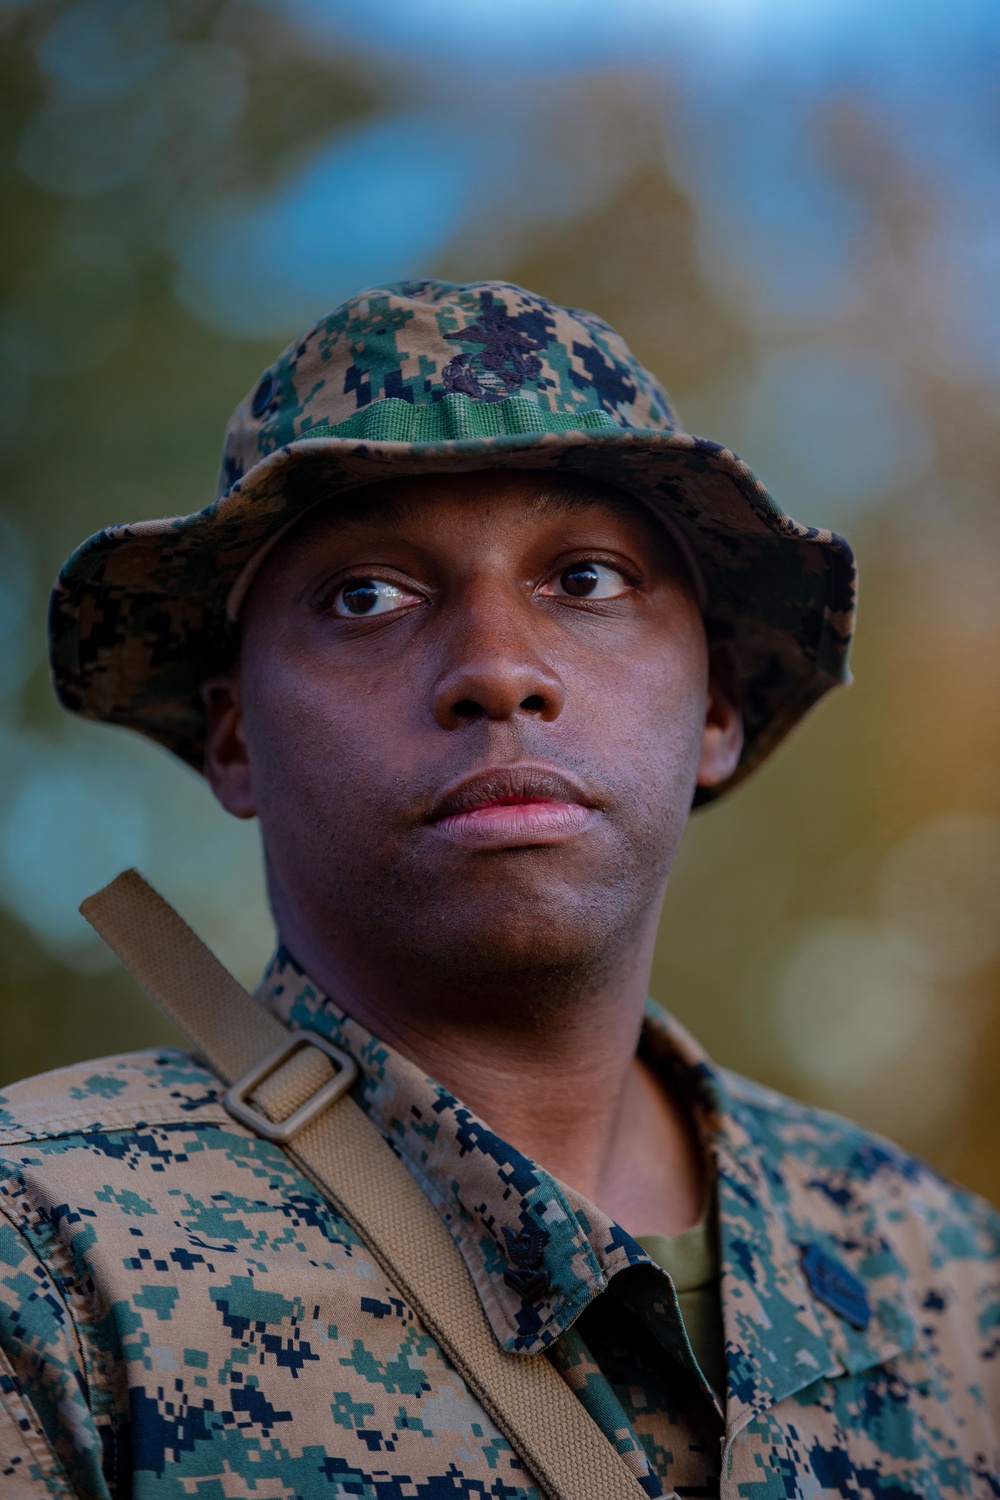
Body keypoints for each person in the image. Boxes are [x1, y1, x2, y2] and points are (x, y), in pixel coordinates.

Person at [1, 280, 996, 1499]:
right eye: (365, 596)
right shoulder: (43, 1267)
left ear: (716, 712)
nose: (497, 670)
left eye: (586, 579)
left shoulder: (941, 1284)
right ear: (235, 742)